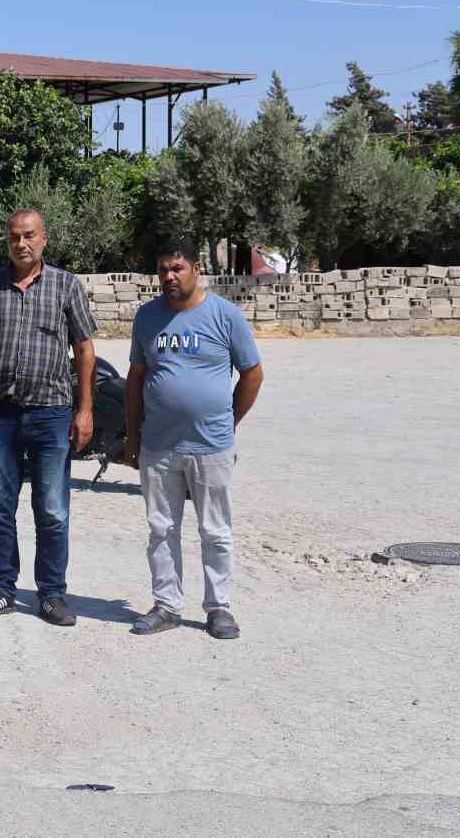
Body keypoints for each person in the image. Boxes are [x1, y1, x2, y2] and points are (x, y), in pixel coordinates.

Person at [0, 209, 96, 626]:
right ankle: (1, 590)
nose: (22, 244)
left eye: (29, 236)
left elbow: (84, 349)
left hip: (51, 414)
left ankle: (52, 594)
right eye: (14, 237)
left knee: (52, 509)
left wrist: (85, 410)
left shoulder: (67, 286)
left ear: (44, 239)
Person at [123, 239, 264, 640]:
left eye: (177, 269)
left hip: (211, 445)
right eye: (163, 269)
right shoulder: (148, 318)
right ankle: (166, 606)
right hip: (159, 445)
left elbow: (252, 374)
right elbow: (135, 379)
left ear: (196, 269)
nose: (169, 277)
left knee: (215, 530)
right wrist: (132, 435)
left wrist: (229, 420)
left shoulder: (225, 316)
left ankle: (219, 607)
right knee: (161, 528)